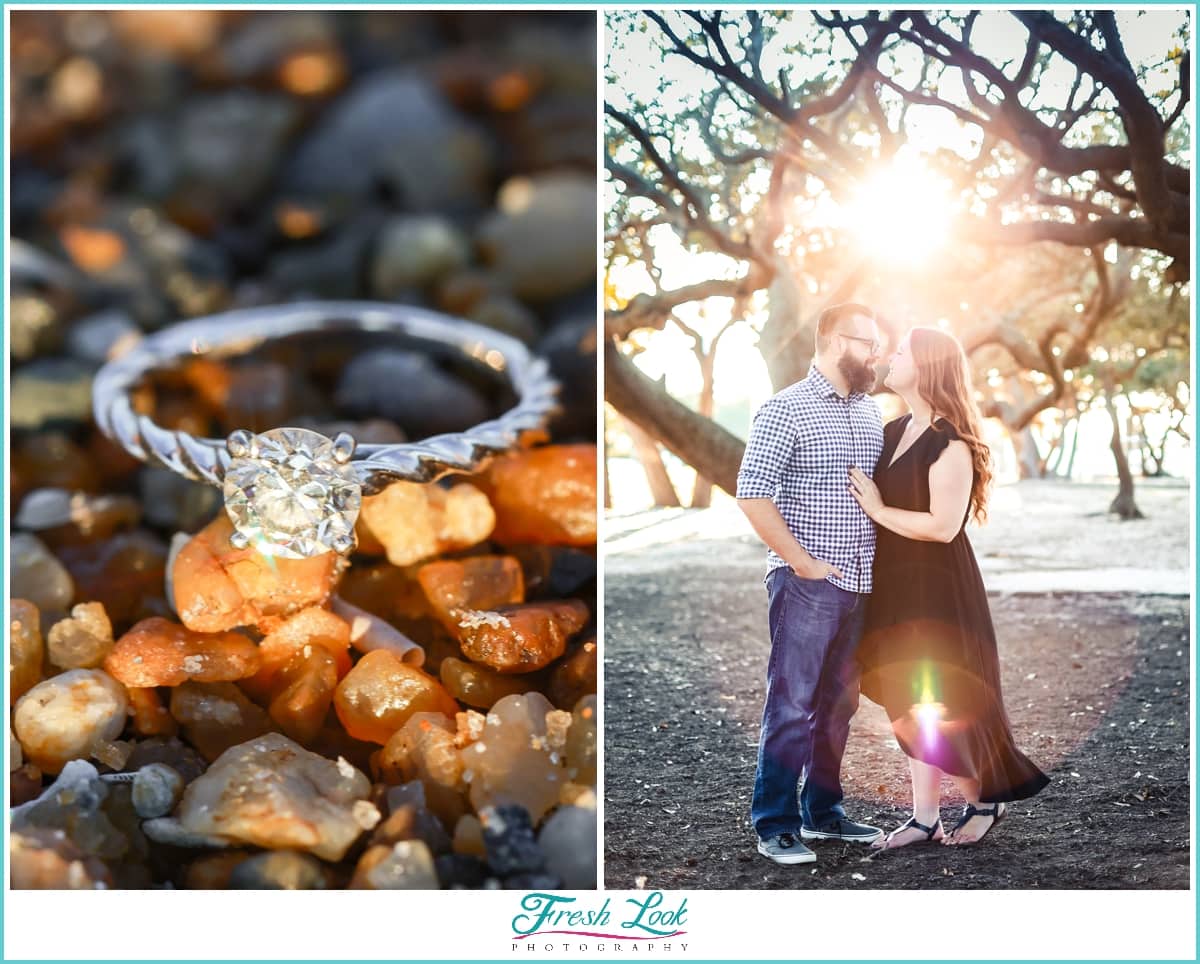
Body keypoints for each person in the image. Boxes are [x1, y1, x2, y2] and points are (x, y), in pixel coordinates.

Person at [848, 327, 1050, 849]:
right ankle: (923, 818)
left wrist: (876, 509)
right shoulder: (892, 431)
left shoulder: (952, 444)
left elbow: (942, 526)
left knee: (943, 699)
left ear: (927, 366)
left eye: (899, 352)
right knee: (905, 701)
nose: (888, 358)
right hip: (892, 586)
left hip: (939, 591)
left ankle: (986, 799)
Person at [736, 303, 886, 865]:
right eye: (862, 341)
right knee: (792, 703)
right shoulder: (784, 410)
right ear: (828, 339)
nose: (873, 354)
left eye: (877, 344)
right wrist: (801, 563)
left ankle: (822, 813)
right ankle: (774, 822)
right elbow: (752, 493)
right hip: (808, 585)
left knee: (839, 706)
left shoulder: (871, 412)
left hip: (862, 583)